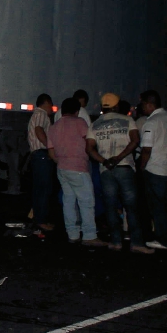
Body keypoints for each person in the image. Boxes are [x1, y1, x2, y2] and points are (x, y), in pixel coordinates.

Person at [87, 93, 153, 253]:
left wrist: (104, 161)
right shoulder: (127, 120)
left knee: (110, 206)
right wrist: (118, 157)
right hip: (124, 167)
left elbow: (89, 148)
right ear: (116, 106)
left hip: (106, 170)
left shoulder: (95, 125)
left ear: (103, 108)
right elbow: (135, 140)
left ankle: (116, 242)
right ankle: (136, 243)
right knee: (131, 206)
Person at [47, 98, 103, 245]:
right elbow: (89, 142)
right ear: (77, 111)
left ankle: (72, 233)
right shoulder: (80, 123)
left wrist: (61, 161)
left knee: (68, 201)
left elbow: (51, 152)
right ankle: (89, 236)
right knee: (86, 202)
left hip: (62, 168)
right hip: (78, 167)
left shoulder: (54, 127)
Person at [138, 90, 167, 250]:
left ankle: (164, 240)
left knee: (157, 207)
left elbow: (147, 149)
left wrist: (142, 167)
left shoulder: (151, 122)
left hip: (156, 169)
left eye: (143, 104)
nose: (142, 108)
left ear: (150, 104)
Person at [27, 93, 57, 232]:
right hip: (41, 155)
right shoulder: (41, 114)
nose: (52, 108)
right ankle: (42, 220)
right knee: (44, 188)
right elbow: (39, 130)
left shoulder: (38, 114)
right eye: (51, 104)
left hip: (38, 156)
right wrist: (49, 146)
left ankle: (37, 218)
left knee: (39, 188)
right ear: (46, 103)